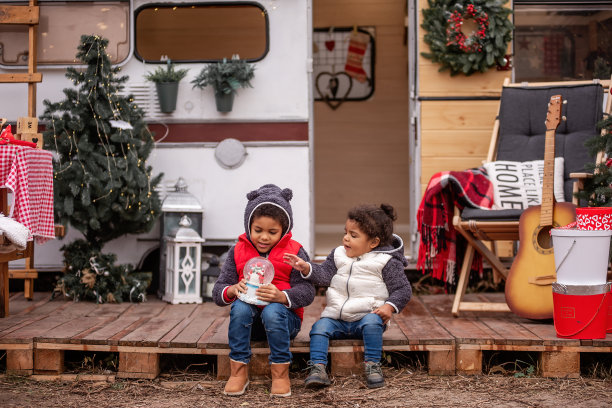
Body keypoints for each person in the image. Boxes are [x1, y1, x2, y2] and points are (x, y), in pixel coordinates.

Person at [284, 203, 411, 389]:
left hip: (367, 316)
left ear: (373, 242)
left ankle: (372, 365)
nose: (346, 238)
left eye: (354, 235)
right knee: (319, 327)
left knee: (372, 324)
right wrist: (307, 267)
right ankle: (318, 368)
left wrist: (388, 307)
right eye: (346, 232)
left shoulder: (386, 262)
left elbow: (403, 289)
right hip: (337, 317)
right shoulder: (338, 255)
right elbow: (325, 274)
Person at [212, 184, 315, 397]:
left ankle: (280, 373)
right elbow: (218, 292)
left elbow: (307, 291)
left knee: (272, 310)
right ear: (249, 225)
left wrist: (282, 296)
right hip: (250, 326)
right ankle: (238, 372)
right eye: (258, 230)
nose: (264, 237)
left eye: (272, 232)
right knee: (240, 307)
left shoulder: (294, 251)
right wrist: (231, 290)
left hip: (285, 323)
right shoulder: (238, 251)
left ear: (284, 230)